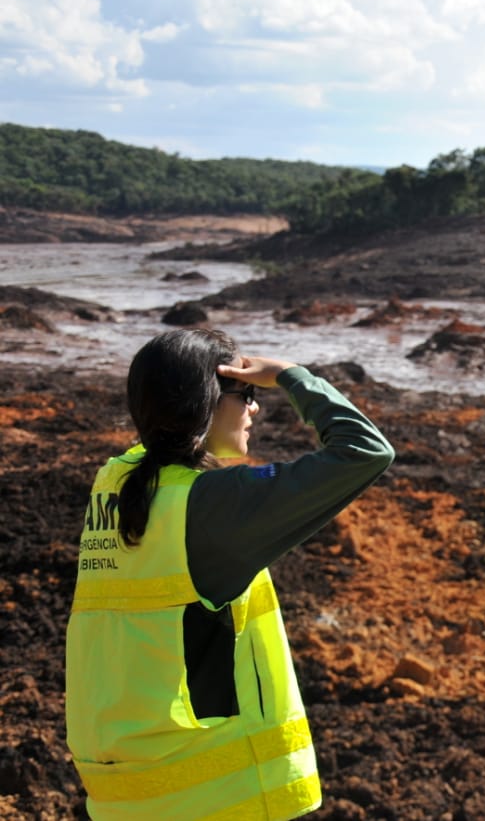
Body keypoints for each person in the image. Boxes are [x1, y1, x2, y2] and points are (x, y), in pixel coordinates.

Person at [65, 328, 394, 821]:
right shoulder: (211, 506)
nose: (256, 408)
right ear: (205, 402)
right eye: (247, 395)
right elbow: (366, 449)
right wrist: (289, 375)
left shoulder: (114, 482)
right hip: (212, 795)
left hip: (122, 787)